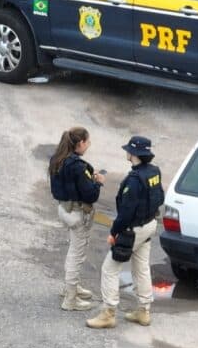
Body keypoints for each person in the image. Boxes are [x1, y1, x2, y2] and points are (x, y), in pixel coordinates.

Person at [86, 136, 164, 329]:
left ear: (133, 154)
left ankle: (109, 313)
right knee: (141, 267)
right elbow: (160, 197)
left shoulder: (134, 180)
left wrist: (114, 231)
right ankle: (144, 311)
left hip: (132, 230)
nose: (126, 152)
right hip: (149, 225)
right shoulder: (154, 172)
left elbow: (126, 213)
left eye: (128, 150)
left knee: (110, 269)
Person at [48, 127, 106, 310]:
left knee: (73, 249)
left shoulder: (57, 159)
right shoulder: (78, 167)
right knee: (77, 253)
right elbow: (90, 195)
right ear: (80, 143)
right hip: (78, 213)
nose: (88, 145)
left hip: (64, 209)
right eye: (87, 142)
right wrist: (97, 182)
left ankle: (71, 287)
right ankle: (70, 299)